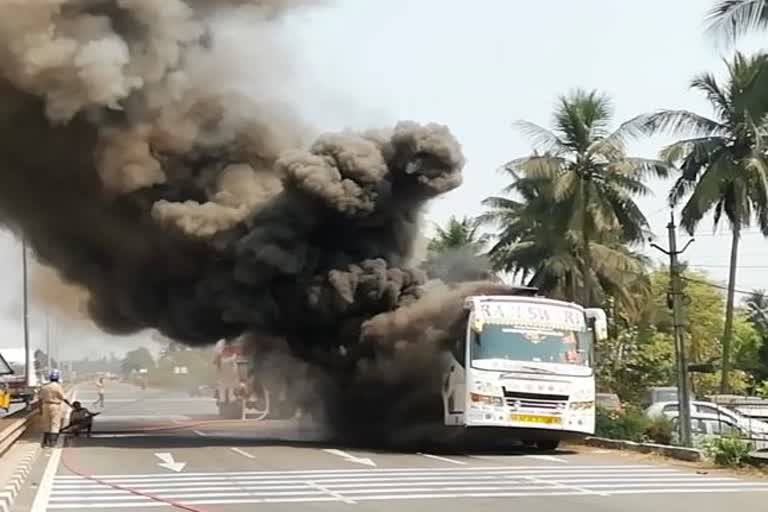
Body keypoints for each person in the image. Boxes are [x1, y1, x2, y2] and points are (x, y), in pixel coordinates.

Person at [39, 369, 71, 447]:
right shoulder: (58, 387)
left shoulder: (45, 387)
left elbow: (40, 399)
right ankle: (52, 442)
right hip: (55, 406)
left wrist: (40, 409)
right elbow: (63, 398)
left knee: (46, 423)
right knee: (55, 424)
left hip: (45, 405)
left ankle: (45, 442)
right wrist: (70, 405)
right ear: (57, 378)